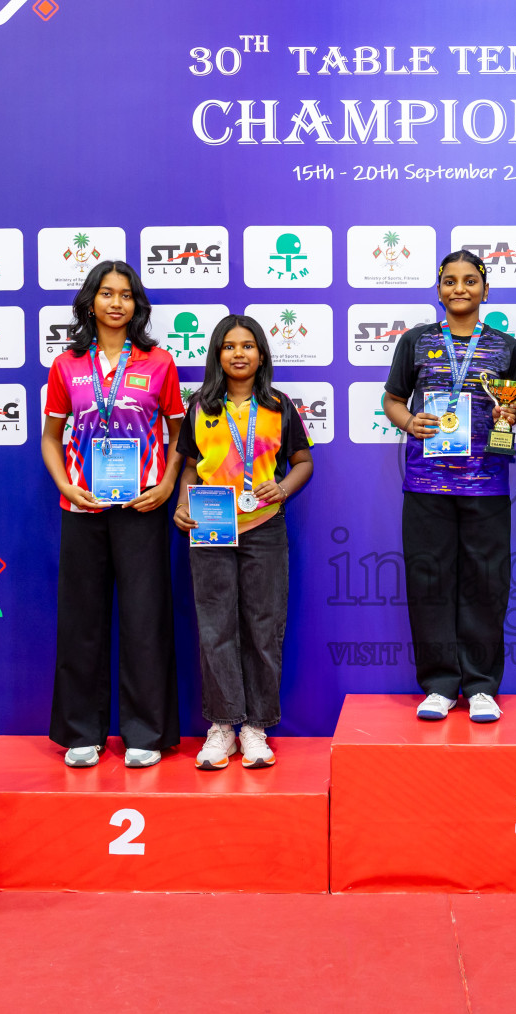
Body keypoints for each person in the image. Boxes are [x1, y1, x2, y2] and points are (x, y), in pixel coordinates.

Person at [42, 260, 184, 768]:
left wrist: (167, 485)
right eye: (107, 293)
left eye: (126, 294)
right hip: (81, 505)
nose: (116, 302)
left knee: (144, 620)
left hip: (141, 505)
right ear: (90, 301)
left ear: (136, 305)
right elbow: (50, 438)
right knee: (82, 619)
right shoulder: (66, 365)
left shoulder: (159, 362)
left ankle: (145, 732)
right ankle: (83, 732)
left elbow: (178, 436)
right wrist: (65, 486)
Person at [383, 251, 516, 722]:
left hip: (487, 485)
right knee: (430, 584)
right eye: (449, 281)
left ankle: (482, 685)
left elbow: (515, 405)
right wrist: (410, 422)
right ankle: (441, 684)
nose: (458, 289)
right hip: (426, 484)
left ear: (486, 289)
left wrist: (511, 413)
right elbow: (393, 399)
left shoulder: (506, 346)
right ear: (438, 289)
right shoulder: (417, 342)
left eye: (469, 281)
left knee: (486, 585)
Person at [174, 315, 313, 768]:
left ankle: (255, 727)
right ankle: (223, 726)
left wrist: (285, 487)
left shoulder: (278, 405)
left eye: (248, 346)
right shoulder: (199, 406)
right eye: (229, 346)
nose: (239, 353)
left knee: (263, 627)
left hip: (264, 527)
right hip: (211, 528)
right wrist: (181, 505)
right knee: (215, 629)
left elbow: (303, 461)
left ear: (261, 355)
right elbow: (191, 467)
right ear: (217, 354)